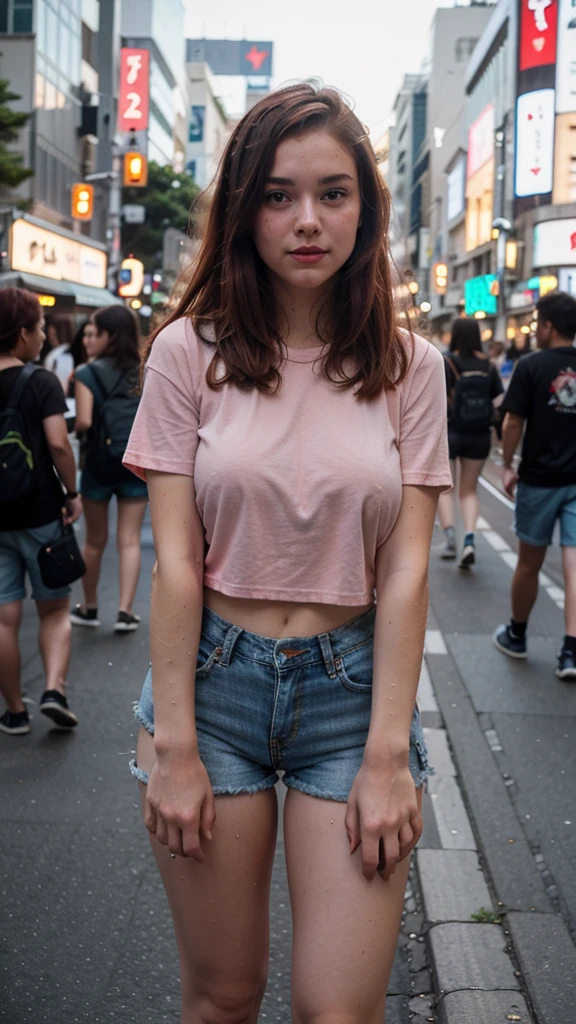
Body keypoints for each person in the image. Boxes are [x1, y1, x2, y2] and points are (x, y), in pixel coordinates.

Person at [123, 83, 452, 1024]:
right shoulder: (188, 352)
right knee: (224, 997)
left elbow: (407, 569)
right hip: (212, 685)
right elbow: (175, 561)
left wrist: (390, 753)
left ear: (366, 207)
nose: (307, 220)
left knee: (335, 1011)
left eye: (333, 193)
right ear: (242, 212)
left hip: (351, 700)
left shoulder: (410, 368)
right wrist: (175, 745)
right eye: (277, 194)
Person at [0, 288, 81, 735]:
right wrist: (72, 492)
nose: (43, 338)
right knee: (53, 609)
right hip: (40, 512)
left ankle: (14, 711)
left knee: (3, 617)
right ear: (23, 333)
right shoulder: (40, 381)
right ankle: (54, 689)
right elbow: (57, 443)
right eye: (40, 330)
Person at [494, 291, 576, 681]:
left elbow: (512, 423)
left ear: (547, 326)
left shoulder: (531, 366)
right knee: (575, 562)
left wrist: (508, 464)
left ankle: (517, 634)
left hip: (540, 478)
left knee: (529, 562)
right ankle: (571, 651)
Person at [71, 305, 147, 632]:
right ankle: (125, 611)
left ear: (108, 336)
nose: (89, 338)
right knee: (128, 539)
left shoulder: (86, 374)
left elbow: (84, 421)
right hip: (134, 463)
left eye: (94, 332)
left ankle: (89, 609)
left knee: (94, 541)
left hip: (98, 466)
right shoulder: (145, 371)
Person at [437, 317, 504, 566]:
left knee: (446, 488)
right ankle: (469, 538)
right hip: (479, 436)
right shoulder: (489, 365)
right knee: (469, 490)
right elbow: (499, 404)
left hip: (451, 433)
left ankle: (450, 535)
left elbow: (437, 400)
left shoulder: (446, 362)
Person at [42, 316, 74, 393]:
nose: (51, 338)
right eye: (50, 335)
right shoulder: (60, 352)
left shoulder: (61, 354)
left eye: (54, 335)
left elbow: (63, 384)